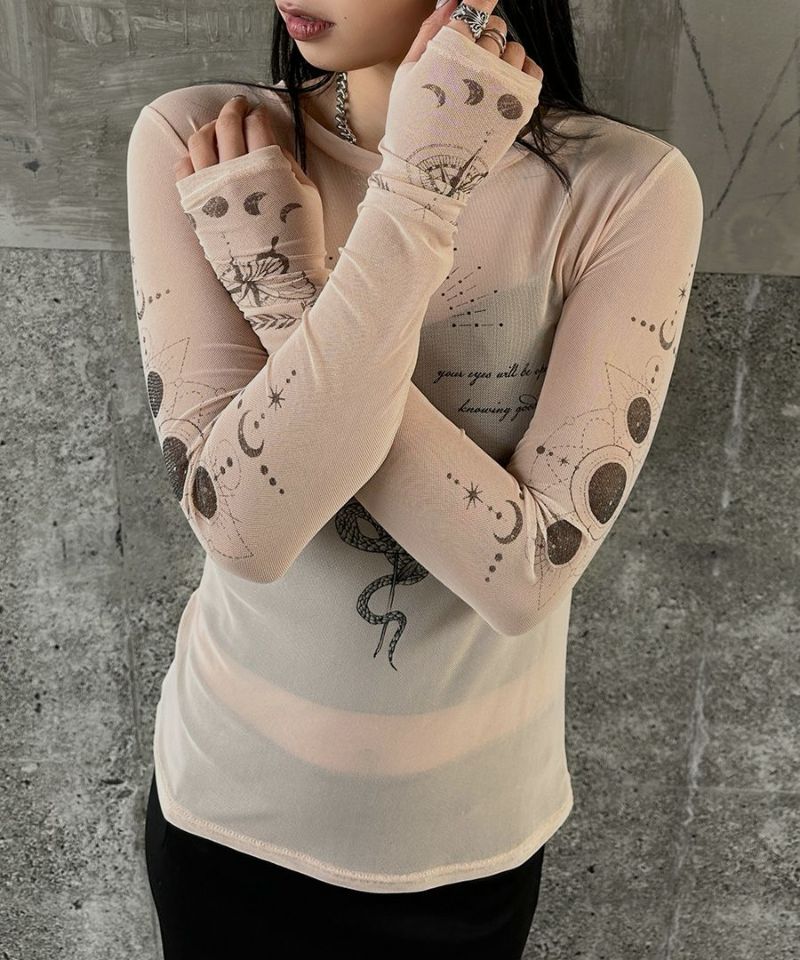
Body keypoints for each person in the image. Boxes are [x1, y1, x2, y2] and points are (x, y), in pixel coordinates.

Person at [126, 0, 704, 956]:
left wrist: (313, 273)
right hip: (227, 815)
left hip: (469, 842)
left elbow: (523, 577)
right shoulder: (207, 144)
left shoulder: (626, 187)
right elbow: (245, 532)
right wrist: (408, 207)